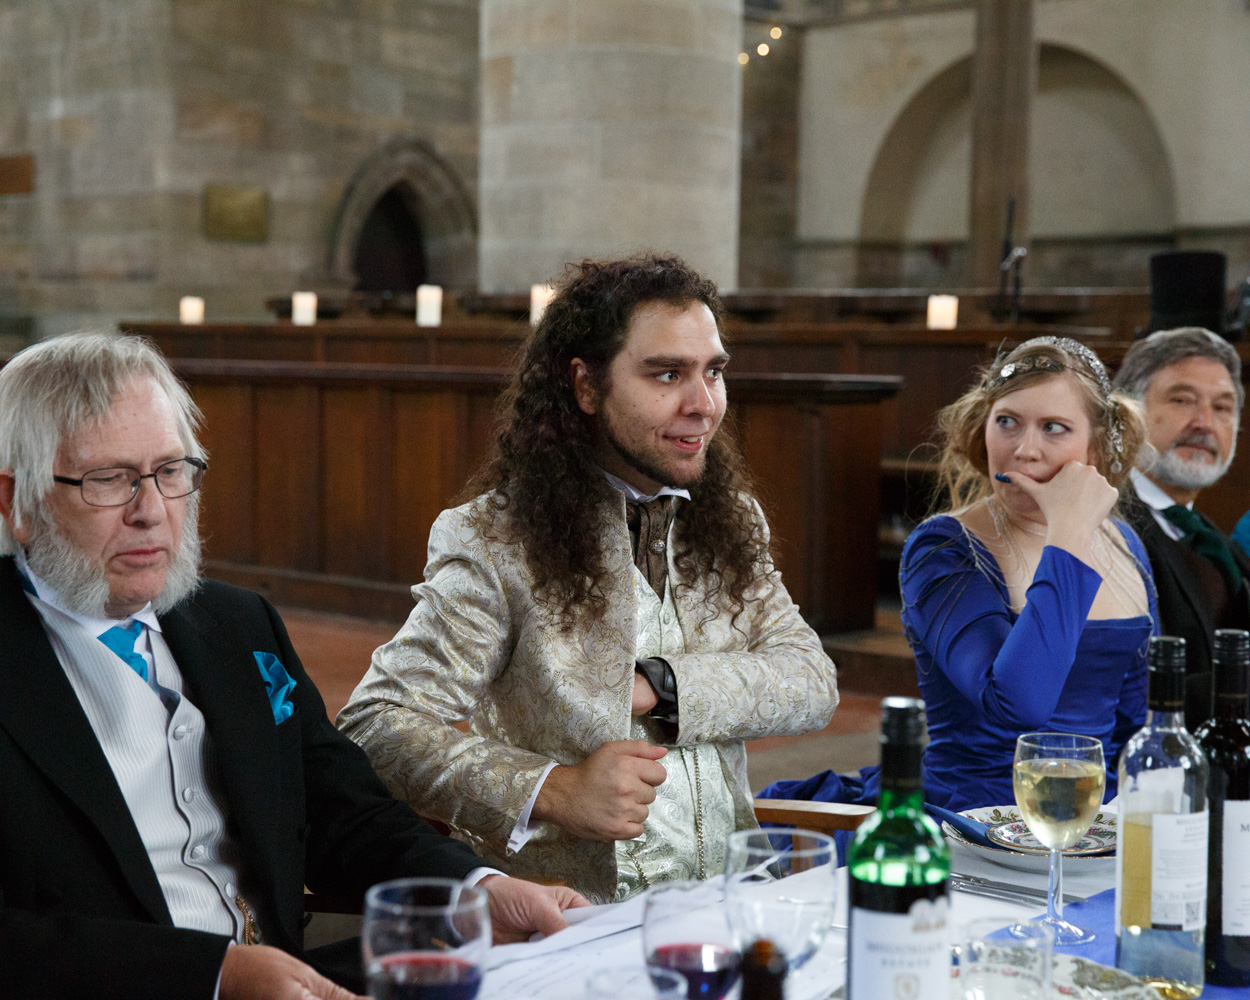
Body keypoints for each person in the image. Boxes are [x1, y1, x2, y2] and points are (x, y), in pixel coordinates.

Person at [0, 332, 585, 1000]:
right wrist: (214, 977)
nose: (152, 511)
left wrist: (473, 892)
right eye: (109, 480)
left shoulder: (238, 624)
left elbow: (343, 810)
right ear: (16, 504)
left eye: (170, 471)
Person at [337, 253, 840, 903]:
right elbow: (377, 726)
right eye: (667, 374)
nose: (703, 404)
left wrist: (663, 688)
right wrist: (552, 789)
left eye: (713, 372)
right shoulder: (497, 539)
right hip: (572, 918)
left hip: (731, 905)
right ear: (585, 385)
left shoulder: (728, 520)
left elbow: (812, 681)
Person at [900, 336, 1155, 811]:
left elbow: (1138, 722)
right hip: (976, 823)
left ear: (1094, 448)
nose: (1025, 449)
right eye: (1008, 422)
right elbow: (1021, 704)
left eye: (1054, 427)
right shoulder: (944, 547)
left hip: (1097, 823)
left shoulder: (1124, 544)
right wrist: (1069, 536)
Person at [1112, 326, 1250, 729]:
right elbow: (1135, 688)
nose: (1205, 422)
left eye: (1223, 408)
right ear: (1127, 413)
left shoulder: (1210, 537)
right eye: (1183, 400)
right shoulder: (1108, 524)